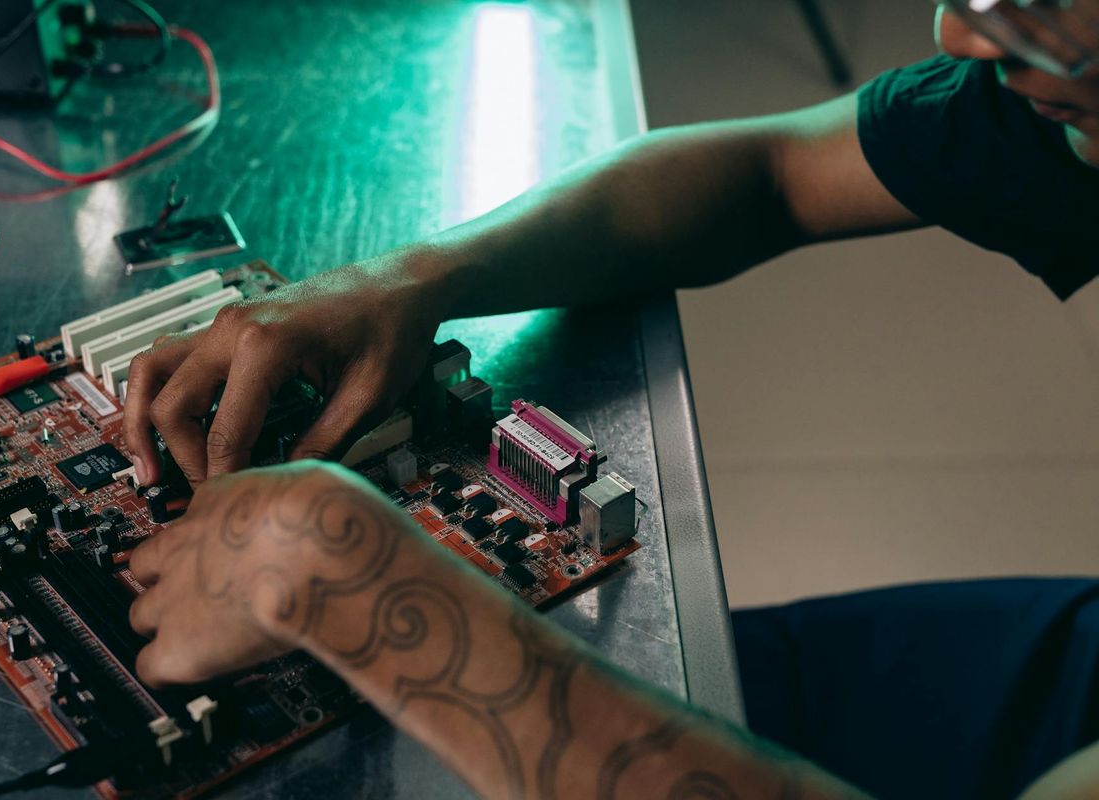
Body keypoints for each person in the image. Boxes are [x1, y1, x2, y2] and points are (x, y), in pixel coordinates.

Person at [121, 4, 1099, 798]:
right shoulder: (1062, 97)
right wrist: (417, 275)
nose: (962, 35)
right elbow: (775, 174)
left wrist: (350, 575)